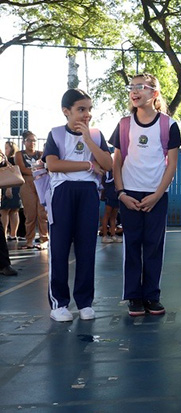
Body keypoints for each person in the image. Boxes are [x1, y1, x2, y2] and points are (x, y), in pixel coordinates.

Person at [111, 73, 181, 317]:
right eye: (132, 87)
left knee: (153, 246)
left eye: (141, 86)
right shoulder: (124, 124)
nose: (134, 91)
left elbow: (172, 164)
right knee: (132, 246)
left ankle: (152, 295)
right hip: (129, 194)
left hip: (156, 195)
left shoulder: (169, 125)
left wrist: (157, 195)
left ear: (154, 93)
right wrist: (121, 193)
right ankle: (134, 296)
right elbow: (117, 162)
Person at [44, 88, 113, 322]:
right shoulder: (55, 134)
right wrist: (88, 165)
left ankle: (84, 302)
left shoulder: (95, 135)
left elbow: (107, 163)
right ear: (66, 111)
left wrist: (89, 141)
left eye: (89, 109)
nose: (87, 114)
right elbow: (53, 165)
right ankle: (59, 303)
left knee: (86, 248)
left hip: (88, 193)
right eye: (81, 109)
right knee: (59, 248)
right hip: (62, 193)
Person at [15, 131, 49, 250]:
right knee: (30, 213)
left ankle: (44, 240)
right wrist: (37, 171)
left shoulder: (40, 154)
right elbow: (22, 169)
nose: (32, 143)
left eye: (34, 140)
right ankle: (29, 240)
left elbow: (47, 166)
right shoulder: (19, 154)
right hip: (27, 183)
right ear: (24, 142)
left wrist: (38, 171)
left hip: (41, 183)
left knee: (42, 213)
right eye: (29, 140)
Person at [1, 142, 22, 243]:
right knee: (14, 211)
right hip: (17, 186)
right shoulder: (17, 159)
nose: (5, 150)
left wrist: (8, 188)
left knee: (4, 211)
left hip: (8, 186)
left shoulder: (8, 160)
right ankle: (13, 234)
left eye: (7, 148)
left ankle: (4, 234)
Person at [99, 168, 121, 244]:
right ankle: (104, 236)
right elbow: (107, 181)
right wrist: (116, 176)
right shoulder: (108, 171)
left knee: (114, 217)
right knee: (107, 215)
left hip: (116, 195)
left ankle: (113, 235)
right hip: (109, 195)